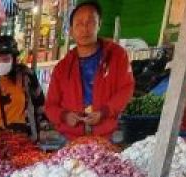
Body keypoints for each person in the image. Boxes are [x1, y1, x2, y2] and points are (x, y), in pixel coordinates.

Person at [46, 2, 133, 139]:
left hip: (107, 136)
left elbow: (126, 89)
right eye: (79, 24)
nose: (85, 29)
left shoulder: (117, 55)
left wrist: (104, 112)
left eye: (90, 22)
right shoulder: (62, 68)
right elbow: (50, 106)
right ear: (72, 29)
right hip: (71, 138)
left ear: (99, 24)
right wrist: (65, 116)